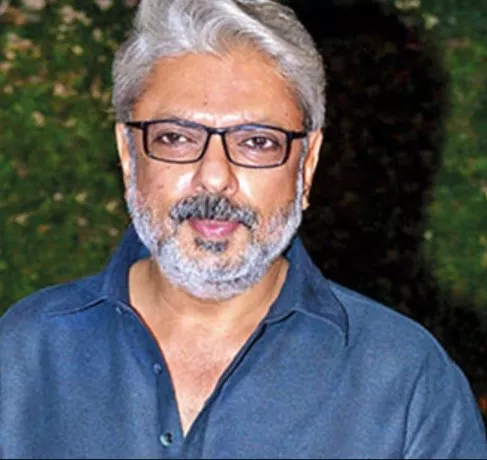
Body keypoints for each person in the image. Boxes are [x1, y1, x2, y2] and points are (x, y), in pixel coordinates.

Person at [0, 0, 486, 457]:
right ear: (129, 155)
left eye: (257, 142)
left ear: (307, 164)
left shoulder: (406, 383)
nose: (215, 176)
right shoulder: (23, 354)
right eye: (176, 137)